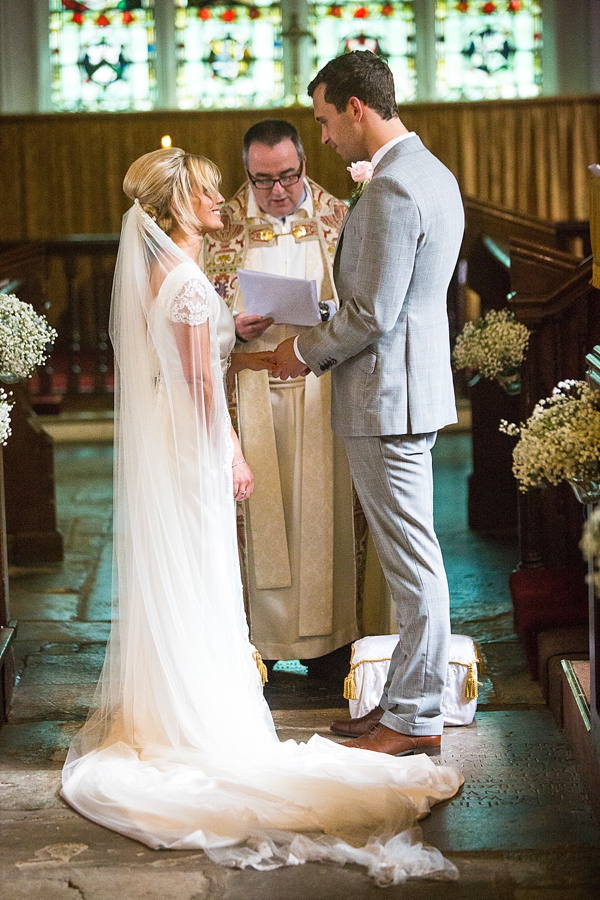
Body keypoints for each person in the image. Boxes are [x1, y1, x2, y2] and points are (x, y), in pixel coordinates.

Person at [60, 146, 462, 883]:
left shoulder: (168, 273)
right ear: (181, 203)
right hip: (198, 445)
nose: (229, 201)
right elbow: (197, 383)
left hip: (180, 443)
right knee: (205, 575)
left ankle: (175, 709)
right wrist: (234, 452)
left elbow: (184, 357)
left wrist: (227, 330)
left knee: (195, 578)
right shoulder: (183, 280)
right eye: (214, 192)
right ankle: (200, 719)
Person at [271, 51, 465, 757]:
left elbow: (374, 315)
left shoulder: (388, 190)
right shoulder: (429, 174)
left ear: (357, 107)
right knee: (410, 560)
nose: (322, 137)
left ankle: (414, 718)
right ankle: (402, 704)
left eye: (324, 120)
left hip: (386, 397)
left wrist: (302, 350)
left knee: (412, 564)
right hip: (406, 388)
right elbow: (394, 299)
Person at [203, 120, 361, 667]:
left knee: (324, 514)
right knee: (261, 518)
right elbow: (191, 312)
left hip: (324, 391)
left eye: (289, 177)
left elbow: (367, 302)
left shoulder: (340, 217)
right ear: (246, 171)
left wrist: (329, 316)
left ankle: (332, 641)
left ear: (304, 167)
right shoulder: (218, 227)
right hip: (248, 394)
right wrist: (231, 325)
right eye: (263, 179)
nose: (277, 191)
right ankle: (256, 647)